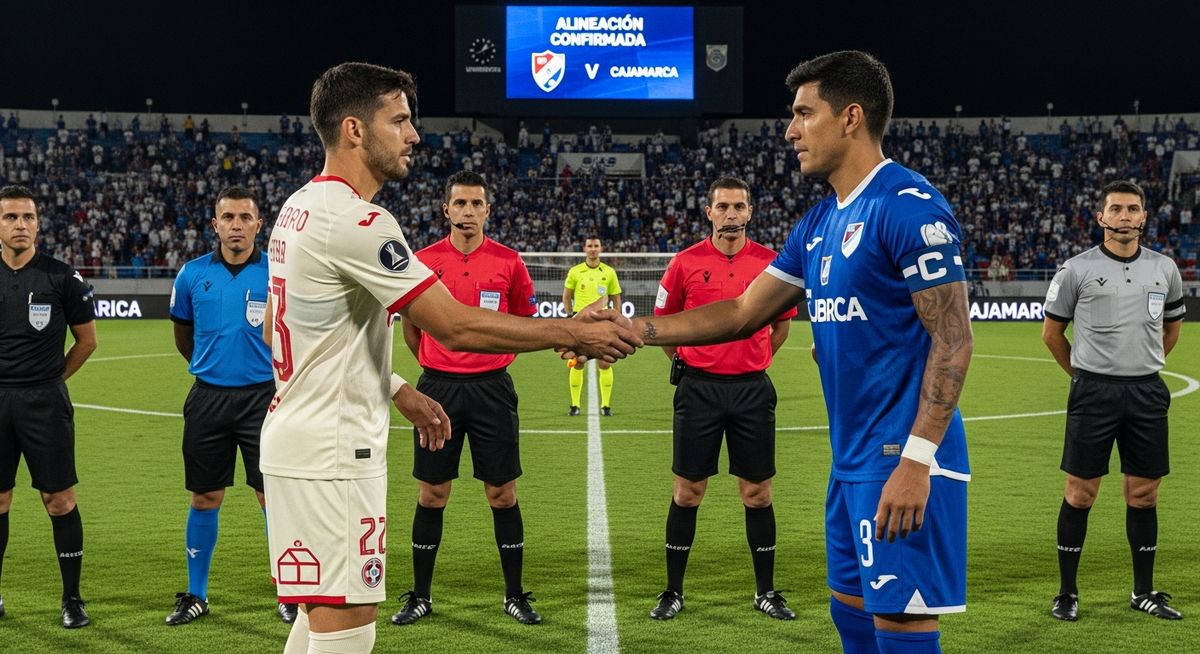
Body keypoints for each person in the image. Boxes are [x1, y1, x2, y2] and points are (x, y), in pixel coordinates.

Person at [599, 51, 974, 653]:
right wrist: (640, 330)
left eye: (804, 113)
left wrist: (917, 459)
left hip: (901, 460)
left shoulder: (907, 204)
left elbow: (954, 339)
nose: (790, 130)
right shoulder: (820, 223)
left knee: (901, 626)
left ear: (851, 118)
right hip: (849, 460)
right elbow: (744, 311)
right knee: (850, 611)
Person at [260, 62, 637, 653]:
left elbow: (287, 333)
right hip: (334, 453)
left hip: (298, 440)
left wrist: (396, 388)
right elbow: (454, 326)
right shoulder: (358, 220)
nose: (414, 135)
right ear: (356, 130)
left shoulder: (297, 208)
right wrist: (572, 332)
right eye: (401, 120)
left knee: (316, 622)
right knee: (348, 631)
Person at [392, 170, 541, 626]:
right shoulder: (422, 261)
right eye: (460, 204)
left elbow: (523, 323)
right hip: (437, 388)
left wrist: (489, 360)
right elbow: (412, 329)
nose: (468, 212)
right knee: (433, 493)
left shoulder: (510, 262)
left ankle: (514, 594)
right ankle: (420, 595)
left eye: (477, 204)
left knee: (502, 493)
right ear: (446, 210)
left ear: (488, 211)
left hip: (493, 390)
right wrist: (438, 364)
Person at [649, 176, 797, 621]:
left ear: (750, 212)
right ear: (709, 212)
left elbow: (782, 324)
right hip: (699, 390)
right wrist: (690, 362)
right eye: (723, 207)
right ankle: (673, 591)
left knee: (757, 493)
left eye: (739, 207)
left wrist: (753, 357)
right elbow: (664, 325)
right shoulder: (684, 263)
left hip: (752, 390)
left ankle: (765, 591)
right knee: (688, 491)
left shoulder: (772, 265)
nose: (731, 215)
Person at [1042, 180, 1185, 622]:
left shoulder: (1165, 268)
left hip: (1146, 392)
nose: (1125, 216)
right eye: (1116, 209)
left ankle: (1143, 591)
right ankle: (1067, 592)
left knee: (1143, 495)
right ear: (1101, 217)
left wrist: (1138, 366)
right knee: (1080, 494)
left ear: (1144, 217)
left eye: (1133, 209)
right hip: (1093, 392)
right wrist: (1085, 376)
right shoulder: (1075, 270)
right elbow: (1052, 334)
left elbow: (1171, 330)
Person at [166, 185, 298, 626]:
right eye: (228, 218)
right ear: (215, 224)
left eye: (245, 217)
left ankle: (288, 592)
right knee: (205, 496)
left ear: (260, 225)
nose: (236, 226)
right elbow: (184, 336)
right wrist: (213, 369)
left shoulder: (279, 273)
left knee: (272, 498)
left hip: (265, 397)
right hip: (208, 398)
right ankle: (196, 594)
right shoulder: (191, 275)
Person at [0, 184, 98, 628]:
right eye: (10, 217)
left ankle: (72, 599)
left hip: (45, 403)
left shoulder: (62, 277)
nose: (20, 225)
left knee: (58, 501)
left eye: (27, 217)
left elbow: (87, 341)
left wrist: (54, 379)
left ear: (39, 224)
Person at [563, 237, 623, 416]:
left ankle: (605, 406)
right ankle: (575, 405)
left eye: (596, 246)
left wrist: (617, 319)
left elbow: (616, 298)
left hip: (603, 323)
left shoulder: (609, 272)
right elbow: (566, 297)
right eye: (590, 246)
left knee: (604, 362)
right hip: (580, 324)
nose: (593, 249)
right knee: (578, 362)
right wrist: (570, 315)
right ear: (584, 248)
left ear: (600, 248)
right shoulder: (575, 271)